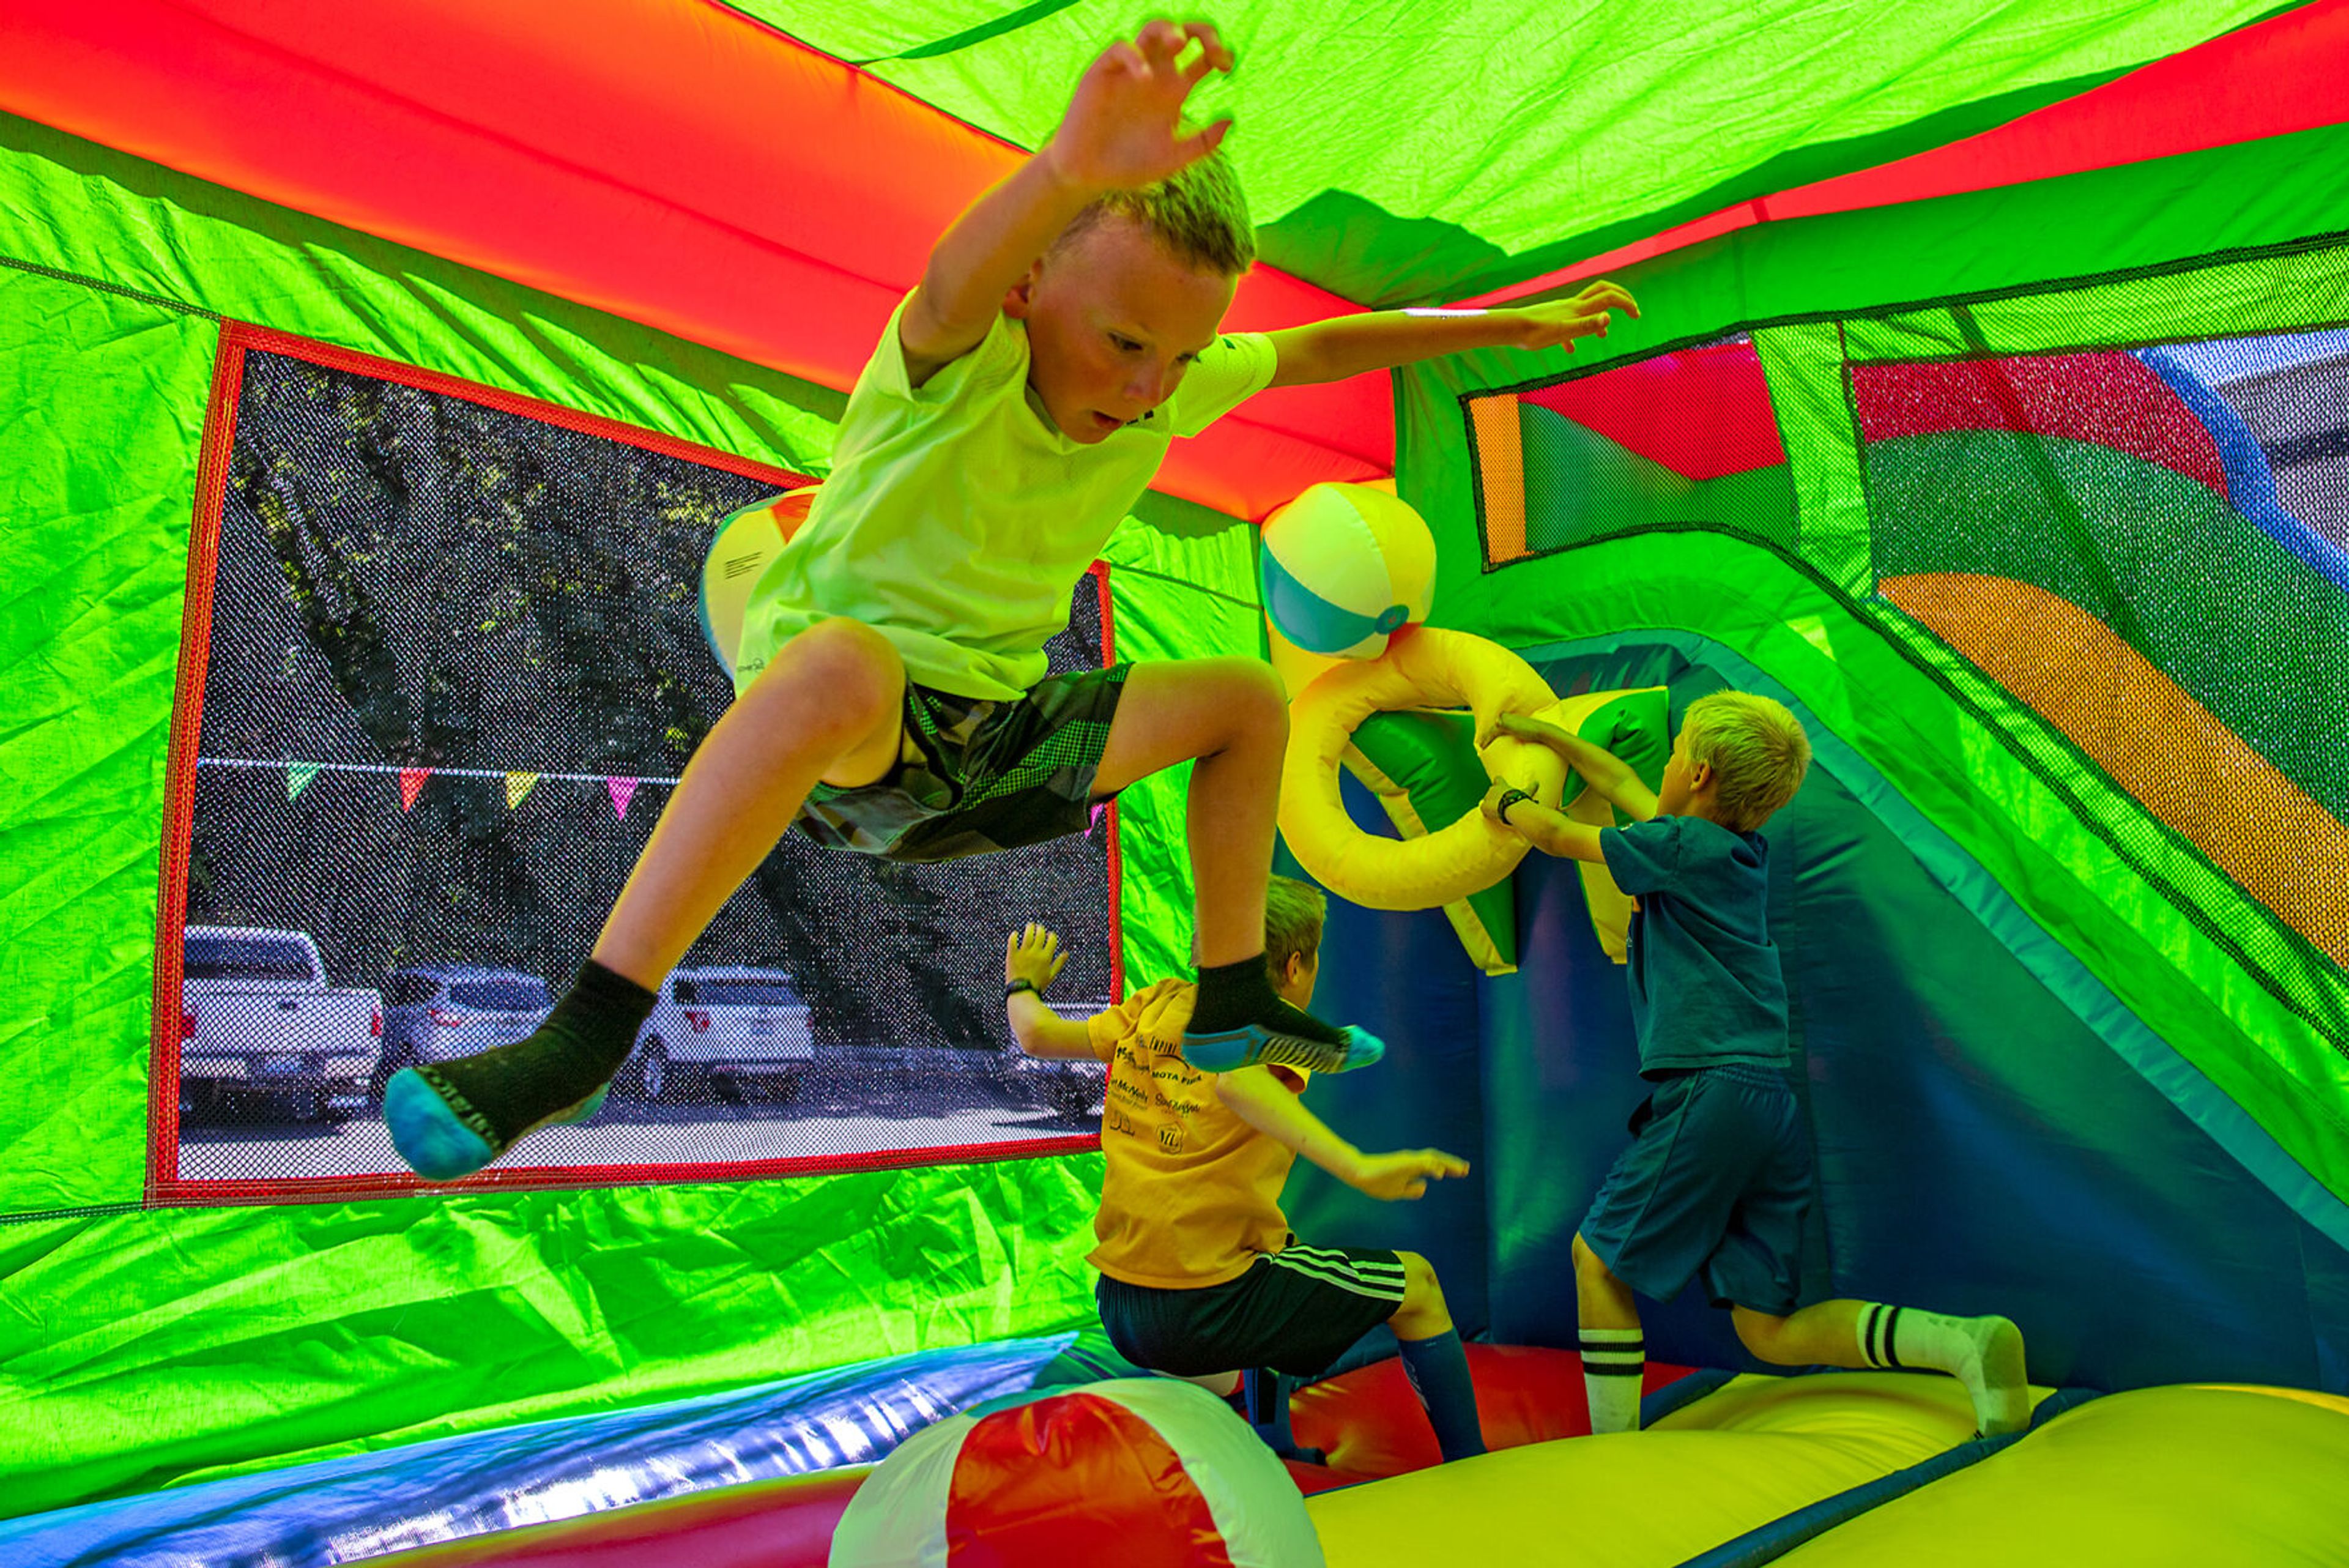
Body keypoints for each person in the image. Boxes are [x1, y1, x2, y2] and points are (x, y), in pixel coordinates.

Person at [384, 17, 1639, 1181]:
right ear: (1035, 281)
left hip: (1000, 752)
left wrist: (1506, 323)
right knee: (833, 665)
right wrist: (1067, 170)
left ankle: (1232, 988)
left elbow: (1314, 349)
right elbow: (950, 281)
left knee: (1249, 701)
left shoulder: (1165, 387)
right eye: (1126, 344)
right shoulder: (955, 366)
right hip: (859, 749)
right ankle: (589, 1033)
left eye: (1183, 356)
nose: (1153, 388)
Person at [1480, 691, 2032, 1438]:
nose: (1665, 764)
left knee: (1596, 1258)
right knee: (1767, 1329)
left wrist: (1504, 806)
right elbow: (1618, 783)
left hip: (1710, 1087)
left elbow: (1555, 834)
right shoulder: (1732, 852)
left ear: (1699, 774)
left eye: (1674, 753)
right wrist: (1546, 733)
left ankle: (1609, 1452)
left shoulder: (1676, 848)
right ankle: (1961, 1343)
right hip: (1767, 1098)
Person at [1003, 877, 1485, 1463]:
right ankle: (1471, 1466)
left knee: (1276, 1257)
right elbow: (1236, 1079)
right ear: (1297, 966)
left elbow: (1035, 1033)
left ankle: (1270, 1444)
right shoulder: (1266, 1025)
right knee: (1418, 1285)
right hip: (1202, 1308)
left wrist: (1023, 981)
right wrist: (1359, 1167)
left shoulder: (1154, 1004)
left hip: (1122, 1301)